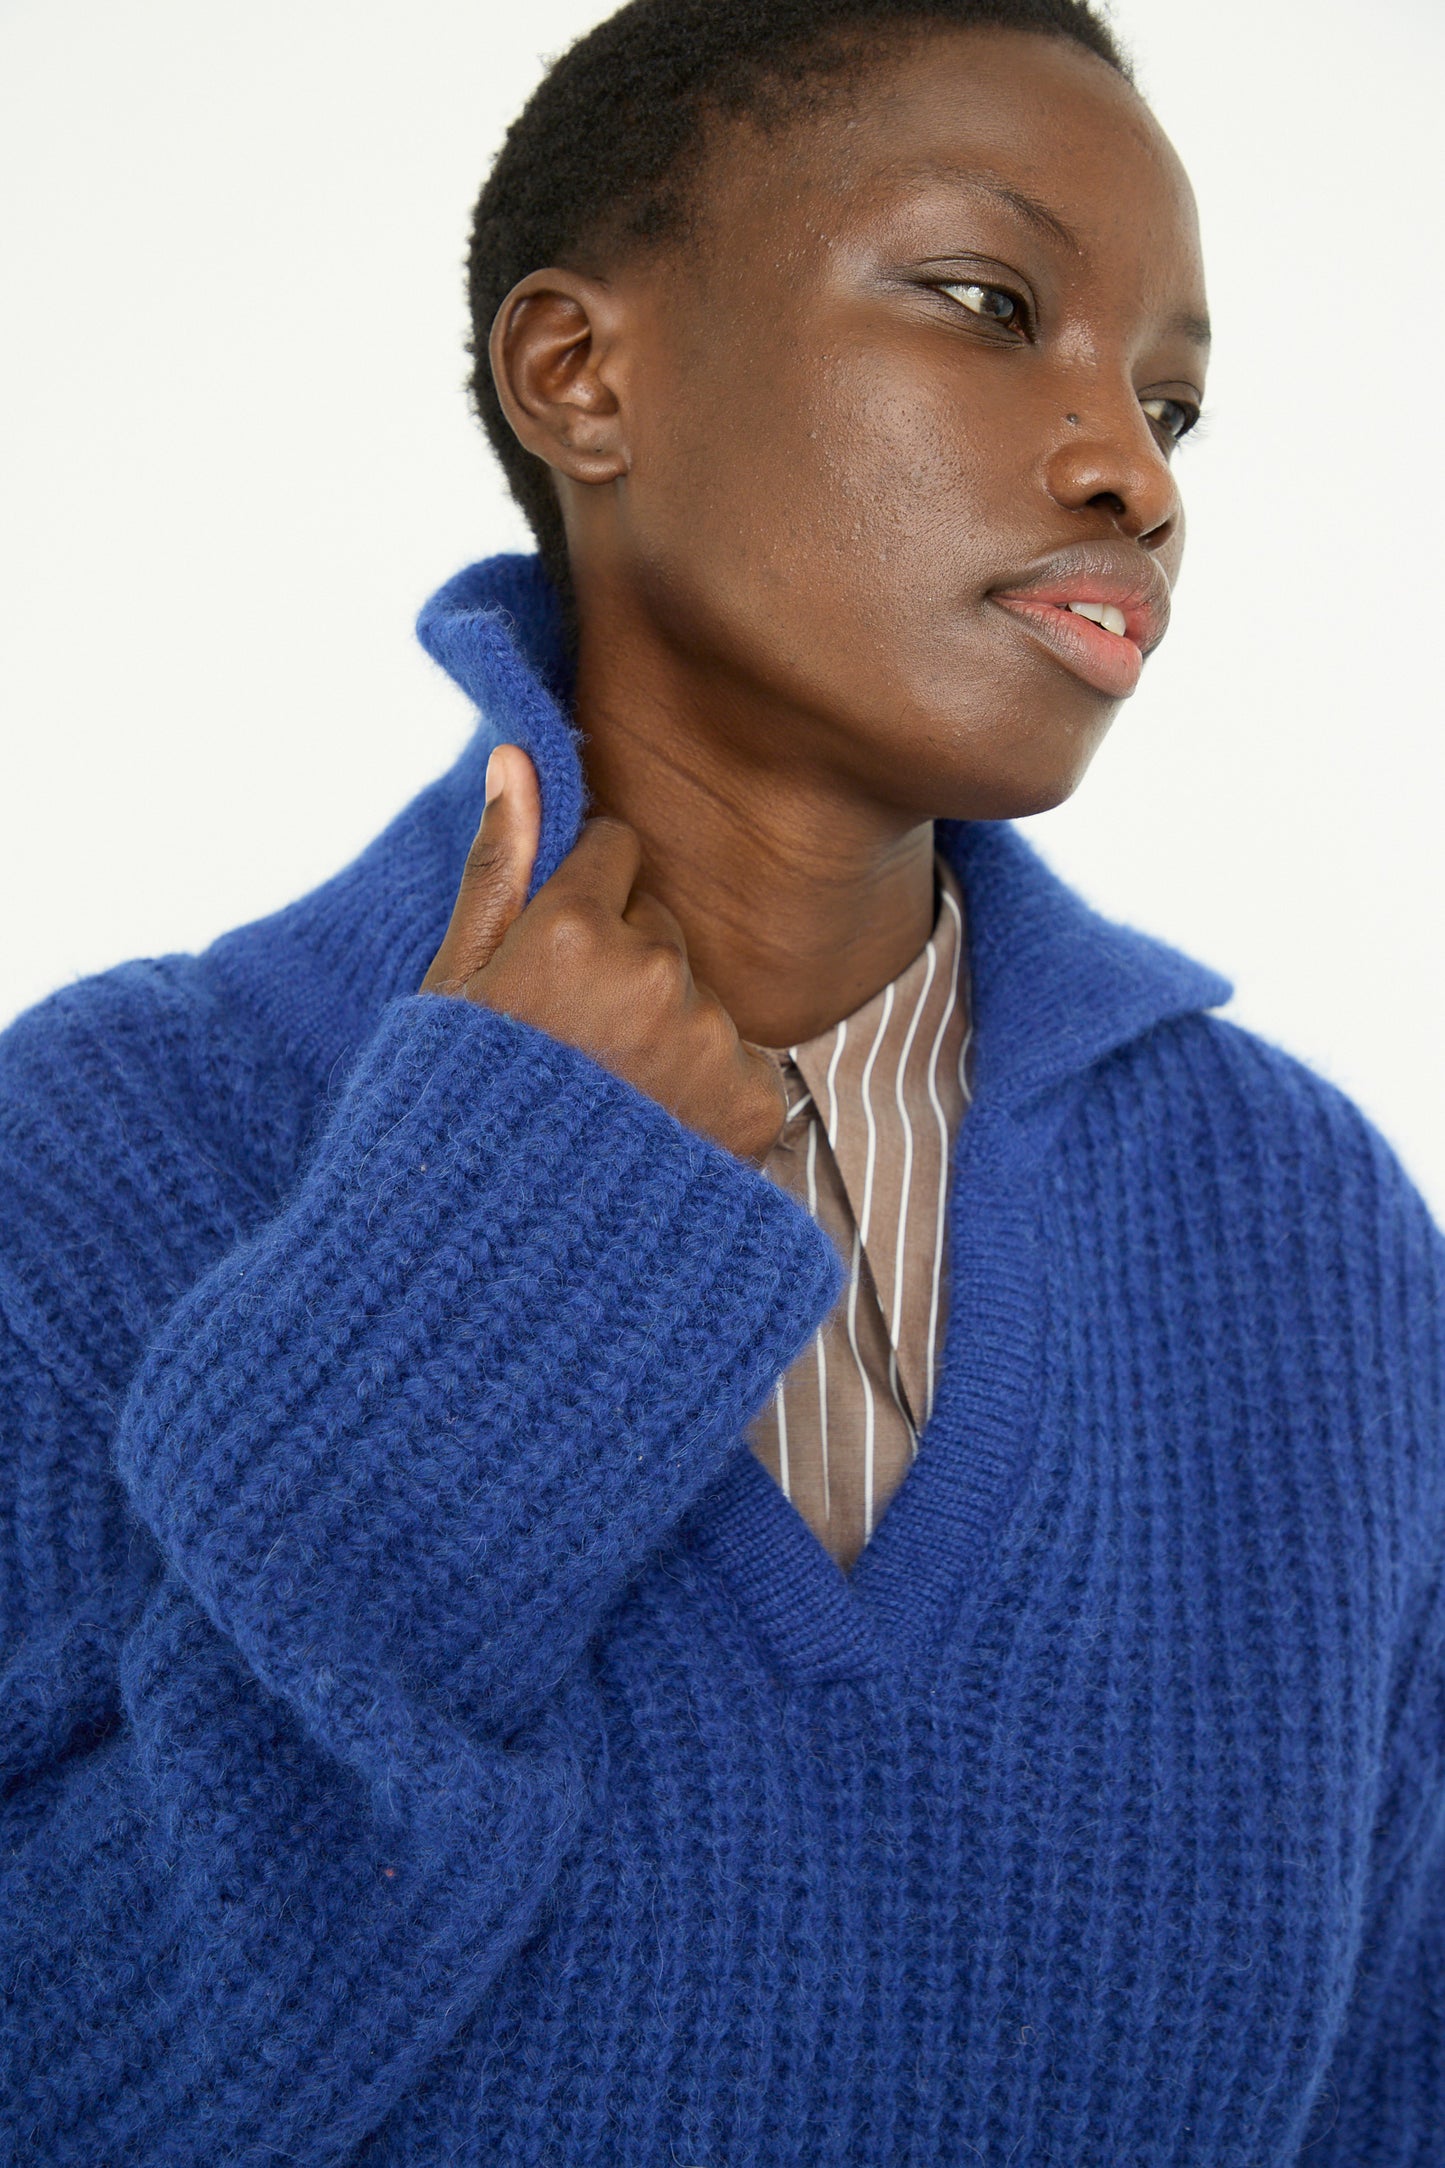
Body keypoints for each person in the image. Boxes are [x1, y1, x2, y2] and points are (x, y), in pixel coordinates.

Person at [1, 0, 1440, 2160]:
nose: (1131, 471)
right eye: (988, 304)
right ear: (582, 374)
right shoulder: (103, 1156)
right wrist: (478, 1258)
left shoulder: (1304, 1229)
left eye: (1171, 404)